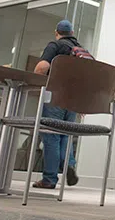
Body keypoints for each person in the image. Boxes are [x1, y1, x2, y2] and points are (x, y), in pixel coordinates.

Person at [31, 19, 84, 189]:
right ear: (73, 33)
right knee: (65, 135)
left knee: (51, 134)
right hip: (75, 99)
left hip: (56, 96)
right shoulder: (82, 51)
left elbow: (41, 68)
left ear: (57, 32)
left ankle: (49, 179)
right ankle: (69, 163)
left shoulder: (55, 45)